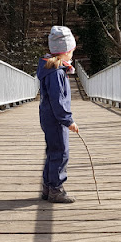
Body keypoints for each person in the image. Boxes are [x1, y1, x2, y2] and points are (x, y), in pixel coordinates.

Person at [36, 26, 80, 203]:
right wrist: (68, 120)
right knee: (61, 152)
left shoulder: (50, 68)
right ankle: (56, 188)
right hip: (56, 119)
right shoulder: (56, 72)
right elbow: (58, 99)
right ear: (64, 52)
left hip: (48, 117)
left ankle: (48, 187)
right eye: (71, 52)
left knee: (52, 151)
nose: (71, 56)